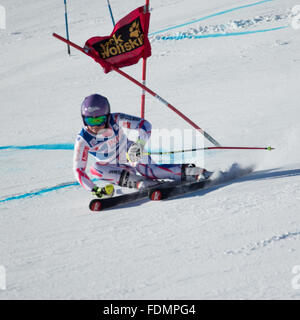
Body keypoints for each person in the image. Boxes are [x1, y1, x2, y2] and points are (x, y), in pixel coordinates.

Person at [73, 94, 209, 198]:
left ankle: (195, 172)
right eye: (90, 120)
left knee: (148, 170)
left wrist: (139, 144)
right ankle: (142, 184)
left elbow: (145, 125)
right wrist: (94, 189)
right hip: (115, 168)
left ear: (107, 116)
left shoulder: (115, 119)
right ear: (83, 119)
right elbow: (79, 170)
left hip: (132, 154)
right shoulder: (83, 140)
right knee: (96, 169)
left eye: (99, 120)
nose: (95, 126)